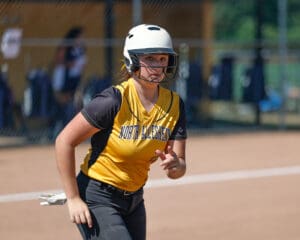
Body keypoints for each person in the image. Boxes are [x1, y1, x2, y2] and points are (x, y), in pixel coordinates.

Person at [55, 24, 187, 240]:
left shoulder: (174, 105)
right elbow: (64, 141)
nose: (158, 65)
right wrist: (73, 198)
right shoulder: (113, 100)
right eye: (150, 59)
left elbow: (177, 169)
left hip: (135, 200)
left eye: (163, 59)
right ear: (131, 60)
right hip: (98, 196)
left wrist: (176, 165)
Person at [51, 26, 87, 137]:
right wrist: (70, 64)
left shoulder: (80, 48)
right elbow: (59, 61)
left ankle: (69, 128)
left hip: (74, 79)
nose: (81, 39)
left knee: (73, 103)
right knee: (62, 102)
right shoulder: (66, 46)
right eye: (79, 37)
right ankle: (56, 128)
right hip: (64, 78)